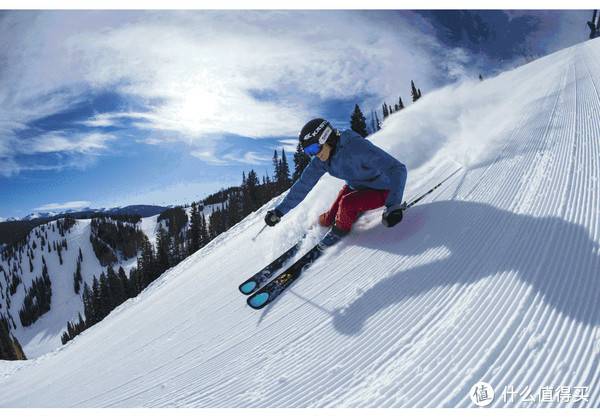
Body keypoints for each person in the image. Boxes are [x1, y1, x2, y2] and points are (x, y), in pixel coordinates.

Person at [264, 118, 408, 246]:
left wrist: (393, 205)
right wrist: (279, 211)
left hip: (383, 190)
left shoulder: (356, 147)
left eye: (314, 148)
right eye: (309, 152)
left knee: (347, 204)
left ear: (326, 137)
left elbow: (397, 169)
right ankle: (320, 227)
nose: (314, 154)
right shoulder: (322, 160)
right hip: (357, 187)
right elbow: (303, 185)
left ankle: (338, 233)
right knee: (328, 217)